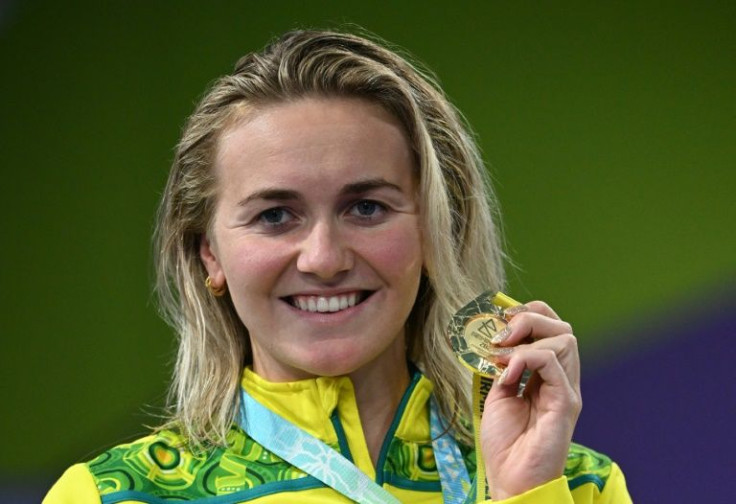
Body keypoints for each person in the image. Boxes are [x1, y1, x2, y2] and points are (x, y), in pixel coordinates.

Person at [45, 29, 631, 503]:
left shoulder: (577, 485)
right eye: (276, 215)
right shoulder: (114, 495)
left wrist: (523, 494)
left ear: (435, 230)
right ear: (209, 253)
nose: (324, 259)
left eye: (367, 207)